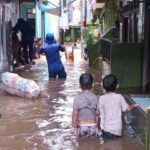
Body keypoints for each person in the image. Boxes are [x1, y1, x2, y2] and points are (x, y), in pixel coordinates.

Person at [98, 74, 139, 139]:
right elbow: (127, 109)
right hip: (117, 130)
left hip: (106, 129)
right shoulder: (119, 97)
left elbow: (100, 114)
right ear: (117, 86)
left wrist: (100, 127)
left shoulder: (101, 98)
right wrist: (134, 105)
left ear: (104, 87)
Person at [71, 73, 99, 138]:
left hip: (82, 127)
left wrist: (73, 127)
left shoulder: (77, 98)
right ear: (92, 85)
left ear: (80, 86)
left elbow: (75, 114)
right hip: (93, 127)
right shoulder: (96, 98)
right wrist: (96, 127)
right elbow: (97, 115)